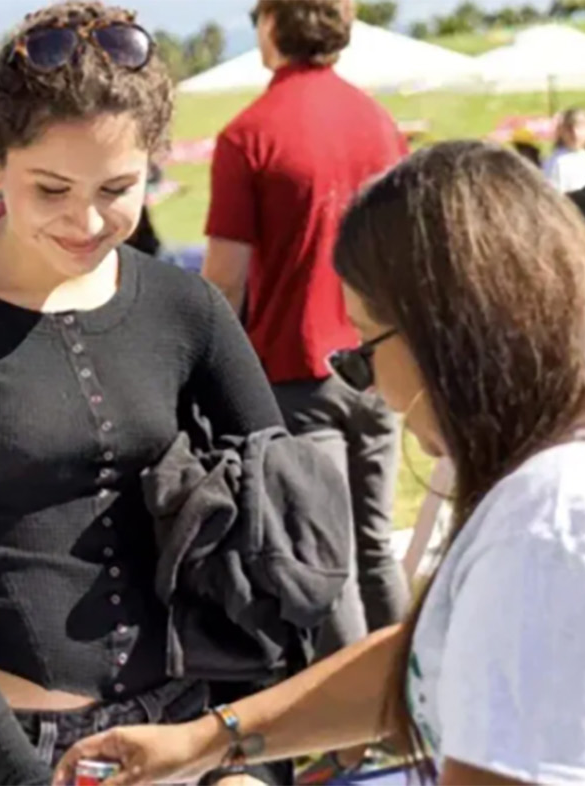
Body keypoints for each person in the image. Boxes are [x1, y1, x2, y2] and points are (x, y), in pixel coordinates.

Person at [53, 141, 585, 786]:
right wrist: (212, 741)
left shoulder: (559, 521)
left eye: (366, 350)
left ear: (445, 337)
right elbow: (442, 650)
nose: (377, 390)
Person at [0, 3, 291, 784]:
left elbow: (276, 538)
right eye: (50, 187)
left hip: (183, 743)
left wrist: (248, 755)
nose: (86, 221)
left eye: (118, 187)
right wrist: (14, 771)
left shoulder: (189, 309)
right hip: (4, 745)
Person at [200, 0, 409, 720]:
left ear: (270, 25)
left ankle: (357, 732)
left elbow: (225, 277)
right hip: (383, 362)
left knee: (327, 564)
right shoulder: (379, 122)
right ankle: (409, 715)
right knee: (378, 548)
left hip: (295, 365)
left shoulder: (248, 134)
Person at [542, 106, 585, 193]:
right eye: (569, 128)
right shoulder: (557, 161)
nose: (575, 133)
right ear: (561, 131)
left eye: (581, 127)